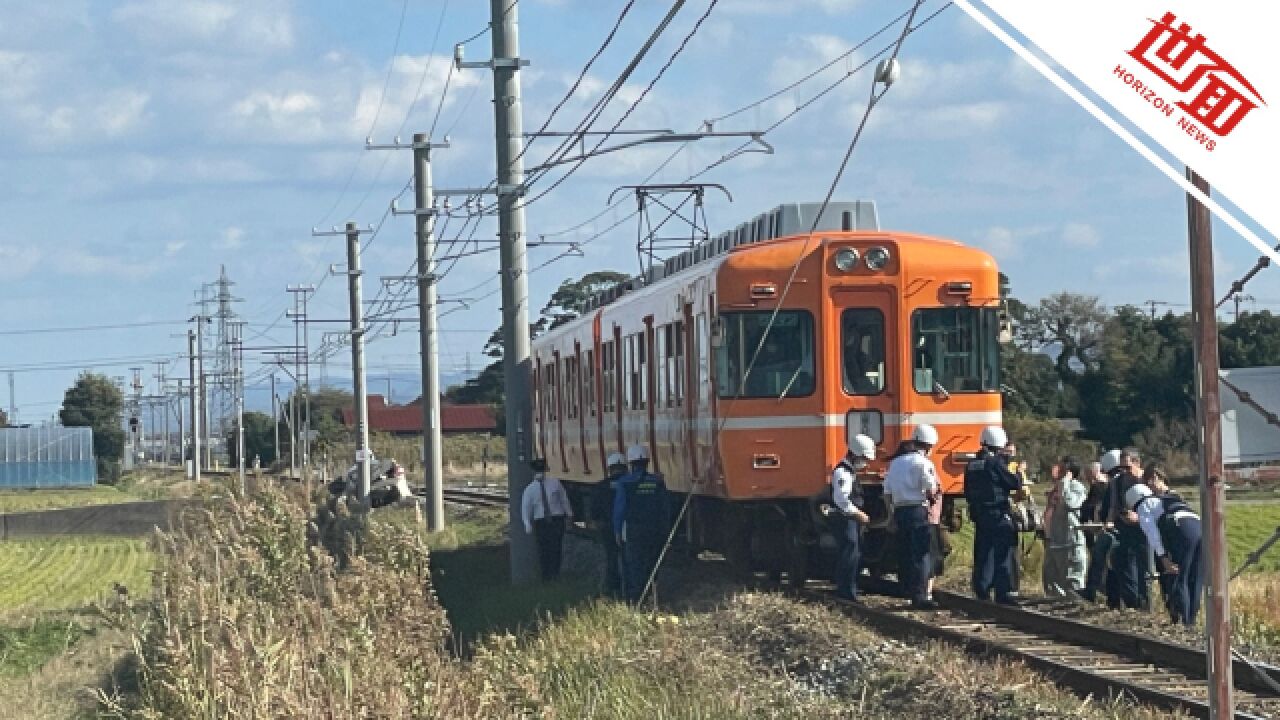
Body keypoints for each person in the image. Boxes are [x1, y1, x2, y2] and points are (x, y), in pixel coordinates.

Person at [1133, 467, 1204, 626]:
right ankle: (1192, 622)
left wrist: (1163, 557)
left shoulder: (1144, 505)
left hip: (1182, 529)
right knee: (1196, 579)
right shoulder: (1175, 497)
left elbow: (1152, 533)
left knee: (1181, 578)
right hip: (1200, 528)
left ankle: (1185, 624)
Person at [883, 425, 940, 609]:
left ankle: (907, 589)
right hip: (918, 510)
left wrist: (891, 515)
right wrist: (933, 499)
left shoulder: (895, 463)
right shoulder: (924, 463)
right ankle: (921, 595)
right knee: (921, 554)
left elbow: (887, 493)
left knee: (905, 552)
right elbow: (931, 488)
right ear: (929, 446)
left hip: (900, 511)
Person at [964, 425, 1021, 605]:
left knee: (983, 551)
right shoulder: (995, 463)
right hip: (997, 513)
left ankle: (982, 588)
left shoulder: (972, 465)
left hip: (980, 514)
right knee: (1004, 551)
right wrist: (1018, 472)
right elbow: (1013, 483)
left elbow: (967, 491)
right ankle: (1004, 591)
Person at [613, 445, 669, 604]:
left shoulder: (624, 483)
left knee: (635, 565)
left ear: (630, 463)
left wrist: (617, 531)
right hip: (655, 530)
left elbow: (620, 510)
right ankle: (653, 596)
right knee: (652, 563)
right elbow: (665, 507)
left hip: (633, 531)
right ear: (647, 462)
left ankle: (637, 599)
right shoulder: (657, 482)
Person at [831, 434, 876, 602]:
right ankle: (846, 591)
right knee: (849, 553)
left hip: (849, 519)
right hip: (846, 518)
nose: (866, 462)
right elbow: (841, 500)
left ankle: (849, 588)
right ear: (855, 454)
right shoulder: (843, 473)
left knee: (853, 553)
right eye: (864, 458)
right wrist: (859, 514)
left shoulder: (850, 472)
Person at [1105, 448, 1151, 610]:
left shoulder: (1148, 480)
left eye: (1127, 467)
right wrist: (1110, 522)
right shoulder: (1117, 482)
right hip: (1125, 528)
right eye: (1121, 468)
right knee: (1124, 563)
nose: (1124, 471)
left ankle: (1146, 603)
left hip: (1146, 529)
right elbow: (1114, 505)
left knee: (1145, 567)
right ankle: (1133, 602)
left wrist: (1139, 519)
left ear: (1137, 463)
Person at [520, 458, 574, 581]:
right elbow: (525, 507)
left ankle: (555, 573)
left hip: (556, 519)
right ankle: (546, 575)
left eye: (541, 470)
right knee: (544, 549)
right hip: (541, 522)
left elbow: (563, 499)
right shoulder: (529, 489)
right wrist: (527, 523)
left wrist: (569, 514)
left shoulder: (555, 483)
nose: (540, 473)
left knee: (556, 547)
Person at [1041, 456, 1088, 599]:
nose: (1057, 471)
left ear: (1069, 471)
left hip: (1070, 541)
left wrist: (1065, 484)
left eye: (1061, 469)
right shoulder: (1057, 487)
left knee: (1072, 581)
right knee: (1051, 579)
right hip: (1054, 539)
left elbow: (1070, 504)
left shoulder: (1077, 487)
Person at [1080, 451, 1120, 602]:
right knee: (1107, 564)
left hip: (1110, 529)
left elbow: (1103, 508)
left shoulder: (1111, 485)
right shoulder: (1115, 483)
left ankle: (1094, 591)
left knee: (1103, 561)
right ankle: (1106, 596)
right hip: (1108, 527)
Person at [591, 452, 628, 597]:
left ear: (609, 468)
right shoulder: (629, 485)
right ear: (625, 468)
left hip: (607, 527)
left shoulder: (600, 486)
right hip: (627, 526)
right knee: (628, 556)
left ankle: (613, 586)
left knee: (611, 556)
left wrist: (597, 523)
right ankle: (629, 586)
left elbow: (594, 511)